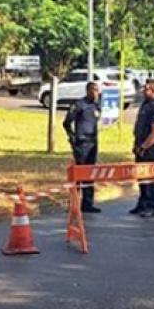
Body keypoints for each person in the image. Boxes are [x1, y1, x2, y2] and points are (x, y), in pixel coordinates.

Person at [130, 79, 154, 217]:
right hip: (141, 145)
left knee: (152, 177)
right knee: (141, 176)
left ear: (153, 90)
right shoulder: (146, 104)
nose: (143, 91)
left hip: (152, 148)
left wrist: (144, 146)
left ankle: (152, 206)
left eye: (146, 89)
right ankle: (142, 203)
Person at [64, 81, 103, 213]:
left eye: (97, 90)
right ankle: (74, 203)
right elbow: (67, 123)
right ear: (88, 91)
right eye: (94, 90)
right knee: (79, 174)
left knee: (90, 174)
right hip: (81, 143)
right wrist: (73, 138)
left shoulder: (97, 105)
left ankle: (88, 203)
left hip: (93, 142)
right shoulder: (79, 104)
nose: (96, 93)